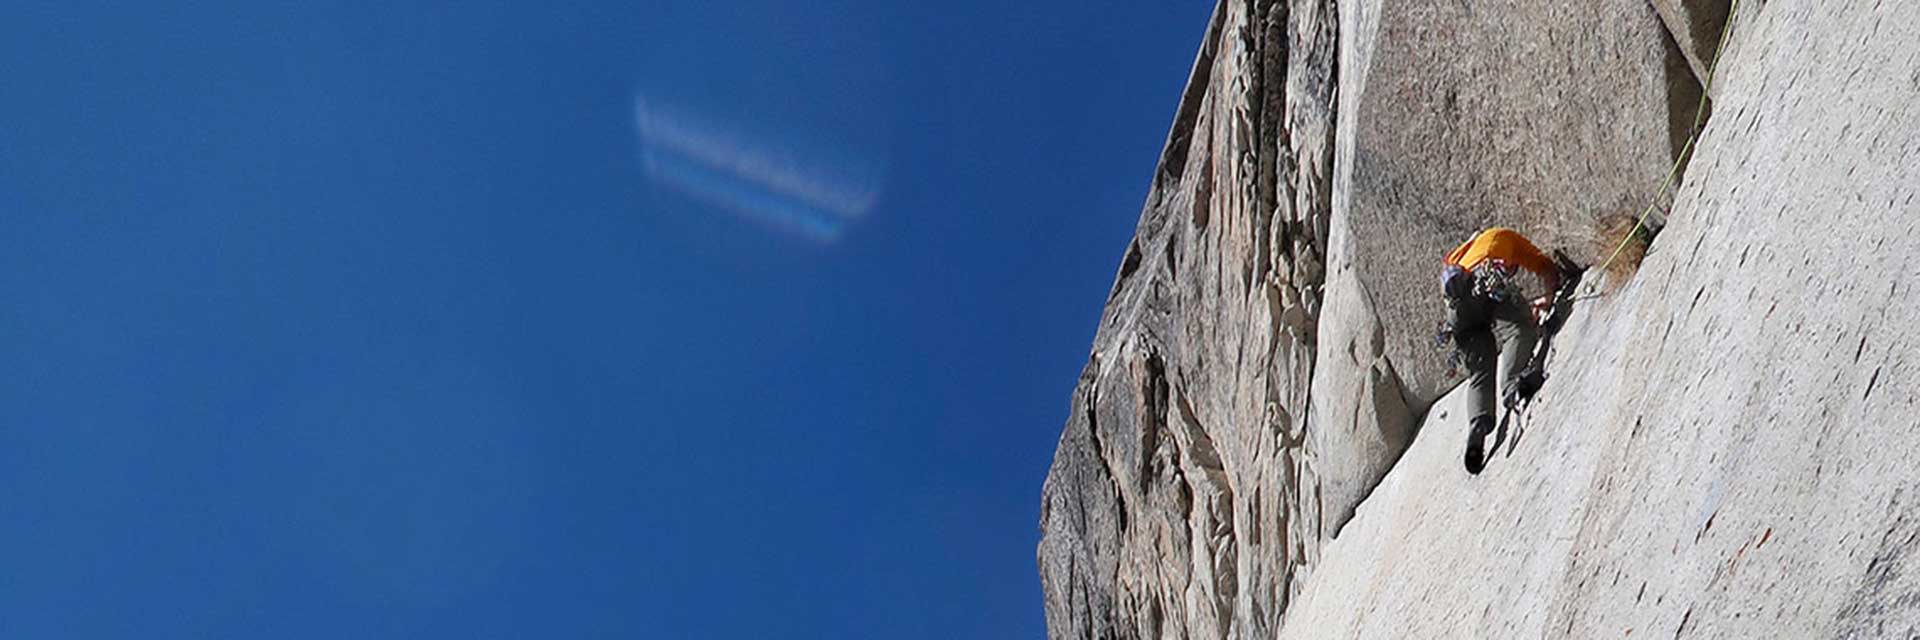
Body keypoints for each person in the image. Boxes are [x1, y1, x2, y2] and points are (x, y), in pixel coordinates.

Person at [1441, 227, 1562, 474]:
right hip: (1486, 280)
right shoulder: (1507, 237)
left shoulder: (1458, 256)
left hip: (1456, 311)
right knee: (1519, 329)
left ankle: (1478, 423)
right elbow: (1547, 268)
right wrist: (1548, 300)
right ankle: (1512, 386)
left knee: (1479, 371)